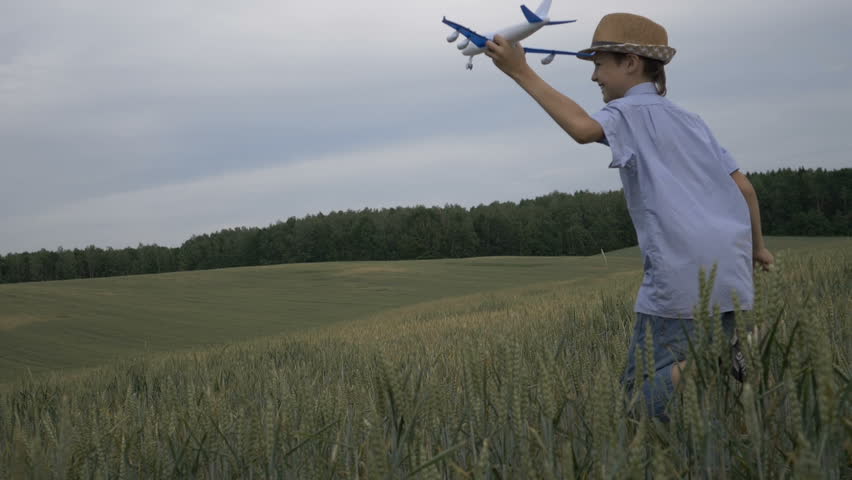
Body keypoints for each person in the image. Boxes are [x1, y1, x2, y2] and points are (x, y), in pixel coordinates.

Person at [483, 12, 774, 419]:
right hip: (731, 267)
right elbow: (745, 188)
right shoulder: (693, 121)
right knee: (697, 391)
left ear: (631, 63)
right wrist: (759, 248)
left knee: (637, 401)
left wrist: (520, 72)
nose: (594, 77)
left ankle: (720, 360)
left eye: (600, 64)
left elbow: (583, 129)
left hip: (681, 273)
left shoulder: (627, 114)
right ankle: (730, 358)